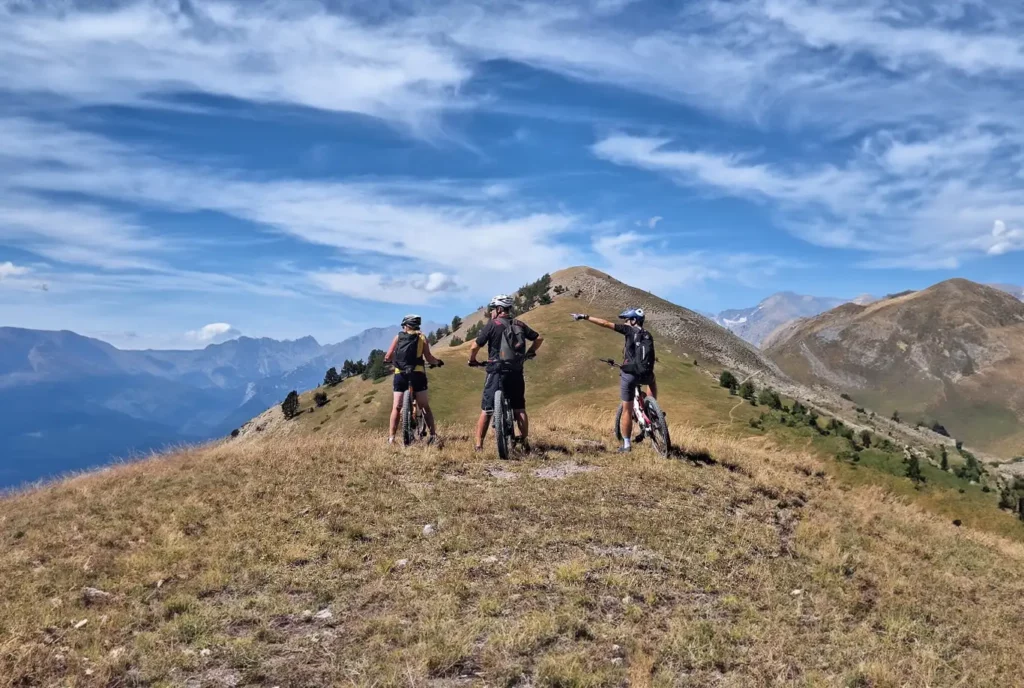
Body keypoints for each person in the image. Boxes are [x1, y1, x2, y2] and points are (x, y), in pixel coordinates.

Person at [571, 308, 657, 452]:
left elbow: (605, 323)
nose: (625, 322)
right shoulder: (648, 335)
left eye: (627, 320)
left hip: (629, 374)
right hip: (646, 373)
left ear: (633, 320)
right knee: (652, 381)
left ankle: (627, 445)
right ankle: (652, 410)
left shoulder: (629, 330)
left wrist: (585, 316)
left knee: (627, 410)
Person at [468, 295, 544, 452]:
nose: (491, 312)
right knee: (519, 409)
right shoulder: (520, 324)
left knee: (487, 410)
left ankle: (478, 445)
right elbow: (539, 338)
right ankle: (524, 442)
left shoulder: (492, 325)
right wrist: (529, 353)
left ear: (499, 309)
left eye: (493, 309)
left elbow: (474, 346)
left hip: (496, 371)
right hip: (516, 371)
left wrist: (472, 360)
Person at [384, 315, 443, 445]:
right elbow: (429, 357)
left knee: (396, 407)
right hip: (418, 374)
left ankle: (391, 438)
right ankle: (433, 436)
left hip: (400, 375)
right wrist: (437, 362)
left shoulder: (398, 337)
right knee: (425, 406)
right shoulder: (422, 337)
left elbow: (388, 356)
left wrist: (388, 360)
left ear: (405, 325)